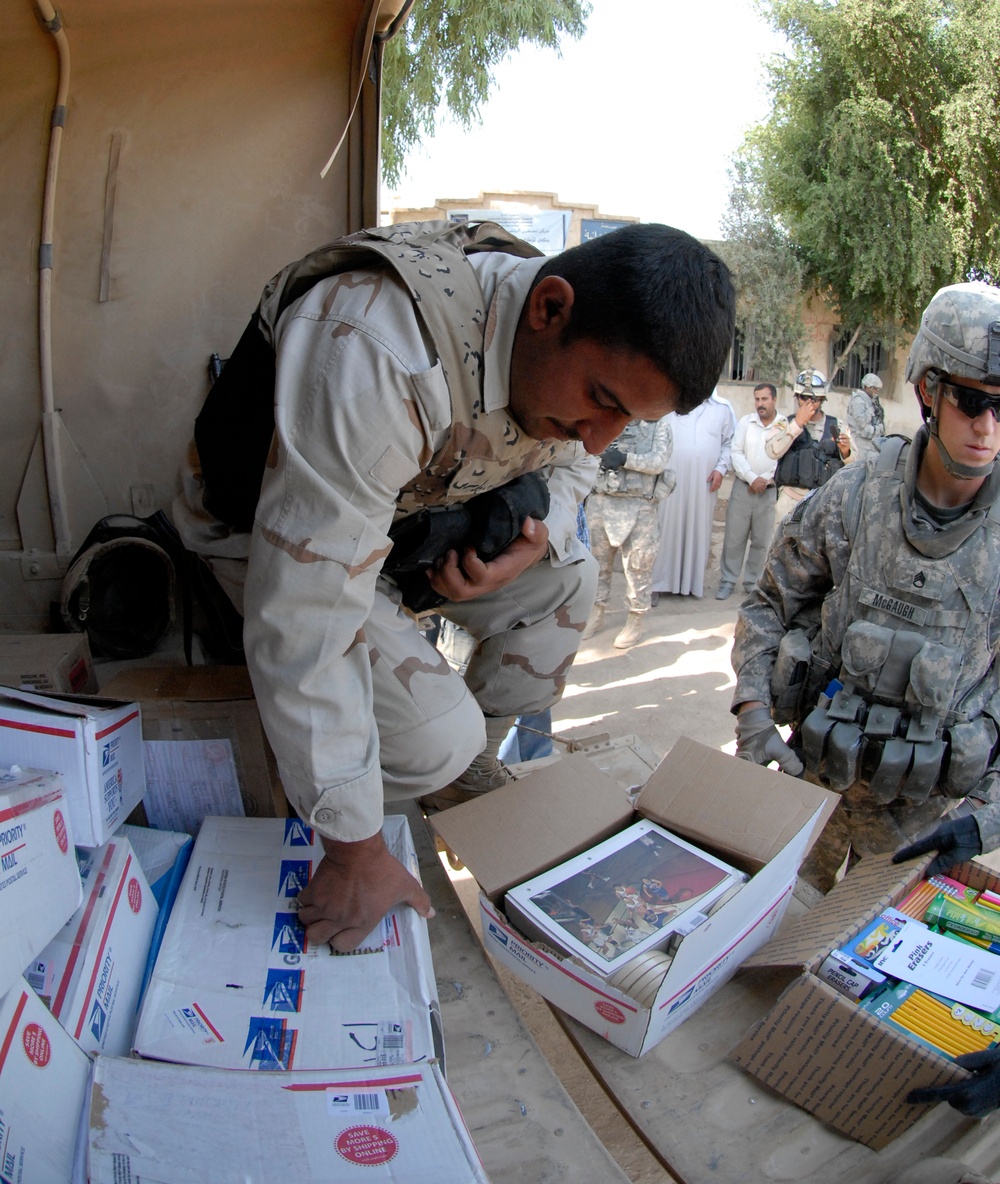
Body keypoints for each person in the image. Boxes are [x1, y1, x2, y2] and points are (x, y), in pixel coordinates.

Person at [173, 218, 736, 952]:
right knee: (438, 738)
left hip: (400, 535)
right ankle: (442, 755)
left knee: (569, 581)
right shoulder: (377, 343)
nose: (600, 436)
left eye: (626, 419)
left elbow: (573, 470)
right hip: (265, 540)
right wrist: (353, 851)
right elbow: (304, 614)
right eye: (601, 400)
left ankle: (466, 773)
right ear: (549, 309)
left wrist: (529, 547)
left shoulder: (563, 351)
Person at [730, 281, 1000, 902]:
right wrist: (751, 709)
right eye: (972, 401)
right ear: (929, 391)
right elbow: (771, 603)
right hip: (809, 790)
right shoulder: (856, 495)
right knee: (761, 954)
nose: (987, 427)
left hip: (925, 828)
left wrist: (984, 820)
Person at [581, 414, 674, 648]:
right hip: (601, 501)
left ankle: (635, 619)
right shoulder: (606, 419)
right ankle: (597, 611)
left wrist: (624, 458)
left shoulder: (658, 425)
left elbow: (658, 461)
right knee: (596, 564)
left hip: (639, 505)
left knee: (638, 566)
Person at [650, 389, 735, 598]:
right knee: (665, 528)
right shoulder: (670, 403)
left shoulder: (722, 409)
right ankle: (656, 585)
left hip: (703, 483)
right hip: (670, 480)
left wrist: (721, 469)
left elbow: (730, 442)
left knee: (697, 529)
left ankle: (689, 585)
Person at [716, 382, 781, 600]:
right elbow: (736, 452)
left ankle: (753, 582)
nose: (760, 404)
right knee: (734, 537)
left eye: (764, 399)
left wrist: (765, 480)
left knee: (762, 541)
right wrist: (753, 478)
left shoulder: (784, 426)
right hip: (744, 488)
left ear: (774, 400)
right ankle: (727, 580)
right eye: (757, 399)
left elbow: (782, 458)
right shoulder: (745, 422)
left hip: (769, 491)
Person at [767, 369, 853, 529]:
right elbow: (772, 451)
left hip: (824, 504)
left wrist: (846, 452)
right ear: (797, 397)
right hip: (790, 501)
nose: (809, 403)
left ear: (822, 399)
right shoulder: (785, 423)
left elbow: (855, 465)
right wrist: (797, 424)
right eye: (803, 397)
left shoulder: (838, 426)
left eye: (814, 398)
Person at [846, 371, 887, 460]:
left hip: (871, 444)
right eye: (874, 388)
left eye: (877, 389)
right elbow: (862, 424)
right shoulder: (858, 401)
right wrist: (878, 429)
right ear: (867, 387)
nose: (876, 391)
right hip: (860, 445)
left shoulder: (871, 400)